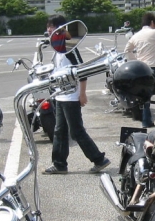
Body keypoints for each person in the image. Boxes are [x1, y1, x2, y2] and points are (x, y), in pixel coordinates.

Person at [43, 15, 110, 175]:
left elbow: (82, 71)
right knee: (59, 131)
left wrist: (82, 94)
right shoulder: (57, 48)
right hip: (61, 95)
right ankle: (59, 164)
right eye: (48, 26)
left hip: (71, 97)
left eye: (52, 27)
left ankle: (99, 159)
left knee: (76, 131)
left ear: (61, 28)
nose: (49, 30)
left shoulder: (69, 47)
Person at [124, 12, 155, 128]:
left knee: (145, 95)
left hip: (142, 69)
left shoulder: (136, 35)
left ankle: (146, 121)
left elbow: (127, 50)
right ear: (152, 22)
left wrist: (135, 59)